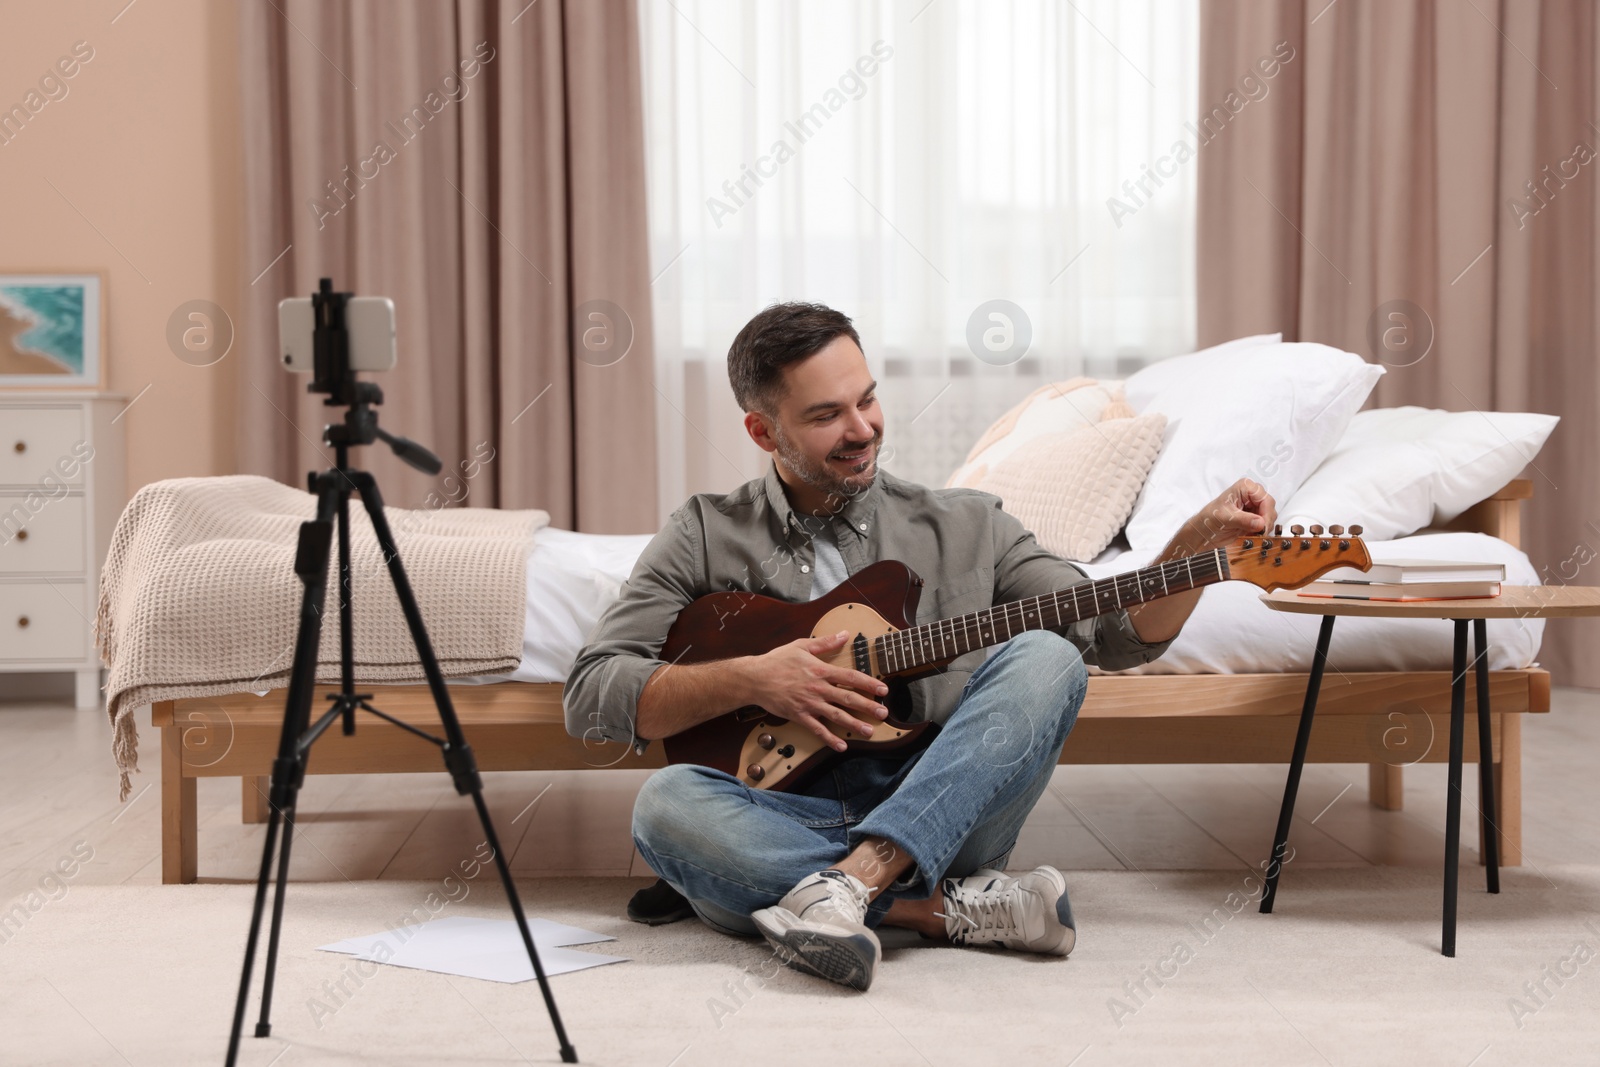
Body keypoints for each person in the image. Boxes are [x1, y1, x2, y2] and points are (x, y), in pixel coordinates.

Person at [563, 302, 1276, 990]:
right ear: (761, 430)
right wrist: (756, 678)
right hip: (777, 810)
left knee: (1048, 656)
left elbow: (1115, 636)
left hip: (943, 806)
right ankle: (937, 909)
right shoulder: (701, 533)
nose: (861, 428)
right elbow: (593, 695)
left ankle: (849, 883)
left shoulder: (970, 524)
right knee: (663, 806)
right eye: (825, 415)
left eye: (866, 400)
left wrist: (1196, 544)